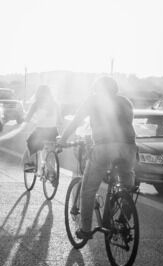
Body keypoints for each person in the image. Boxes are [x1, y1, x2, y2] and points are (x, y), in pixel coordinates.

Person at [58, 75, 137, 239]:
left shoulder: (93, 100)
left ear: (97, 89)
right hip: (129, 147)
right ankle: (123, 215)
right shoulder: (126, 101)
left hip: (105, 146)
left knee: (88, 190)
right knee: (127, 184)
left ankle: (85, 230)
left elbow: (76, 121)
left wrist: (63, 139)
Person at [23, 85, 61, 172]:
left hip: (40, 132)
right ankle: (52, 172)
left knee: (30, 143)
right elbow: (60, 120)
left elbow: (27, 118)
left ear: (38, 94)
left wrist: (24, 120)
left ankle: (31, 165)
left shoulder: (36, 104)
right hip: (53, 132)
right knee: (51, 150)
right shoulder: (55, 104)